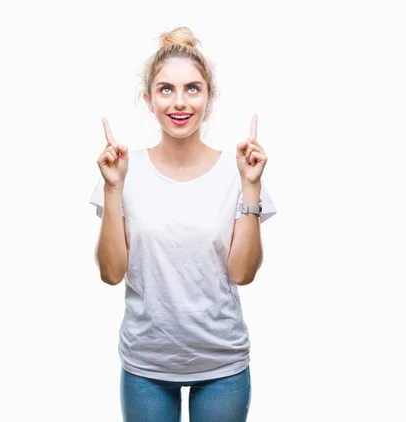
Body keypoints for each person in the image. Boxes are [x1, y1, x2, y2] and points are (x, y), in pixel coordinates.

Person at [89, 26, 277, 422]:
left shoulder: (236, 172)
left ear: (209, 98)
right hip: (147, 365)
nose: (180, 102)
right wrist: (112, 190)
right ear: (149, 99)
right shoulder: (123, 170)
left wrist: (251, 188)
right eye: (166, 89)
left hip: (221, 364)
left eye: (192, 89)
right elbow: (111, 274)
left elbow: (243, 274)